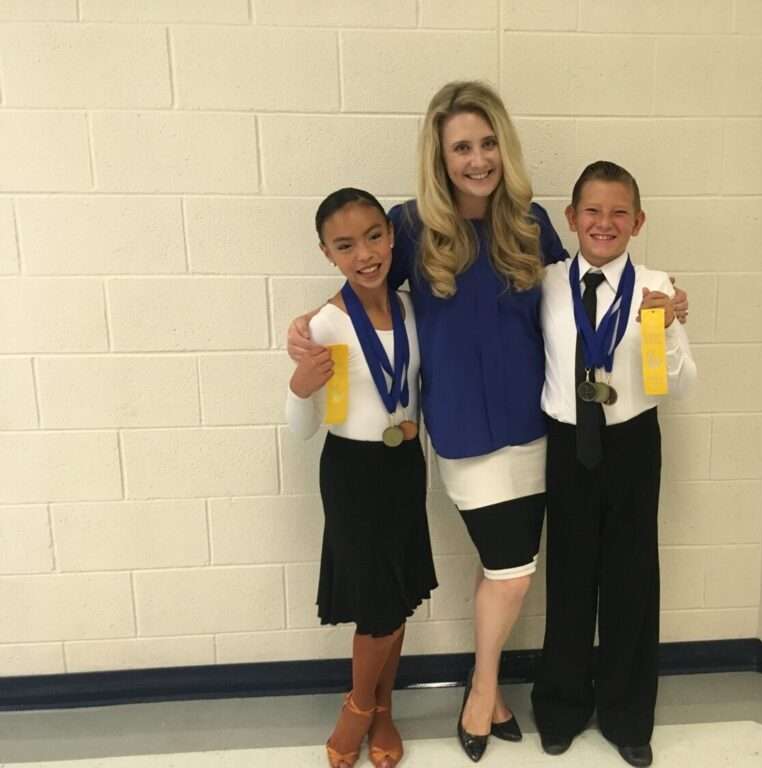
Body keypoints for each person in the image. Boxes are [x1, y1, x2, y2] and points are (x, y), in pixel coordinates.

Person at [288, 81, 689, 763]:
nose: (478, 159)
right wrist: (311, 323)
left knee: (516, 570)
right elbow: (368, 280)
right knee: (510, 571)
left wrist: (667, 310)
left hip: (536, 428)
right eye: (461, 147)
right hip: (465, 433)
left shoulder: (528, 221)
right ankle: (482, 692)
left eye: (487, 142)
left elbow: (581, 301)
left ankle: (494, 692)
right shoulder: (410, 226)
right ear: (440, 156)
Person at [531, 161, 697, 768]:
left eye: (618, 212)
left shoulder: (656, 286)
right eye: (592, 212)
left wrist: (670, 327)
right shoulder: (545, 283)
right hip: (567, 440)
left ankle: (628, 715)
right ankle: (562, 706)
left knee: (631, 576)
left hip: (630, 442)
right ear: (571, 219)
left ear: (638, 221)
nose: (605, 223)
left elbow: (679, 386)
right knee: (569, 576)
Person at [286, 187, 437, 768]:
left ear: (392, 237)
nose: (365, 254)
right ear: (328, 253)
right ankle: (357, 710)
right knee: (376, 605)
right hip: (351, 471)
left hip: (405, 465)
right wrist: (299, 386)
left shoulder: (410, 310)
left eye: (374, 236)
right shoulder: (325, 322)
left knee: (394, 598)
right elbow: (301, 425)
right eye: (345, 245)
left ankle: (384, 709)